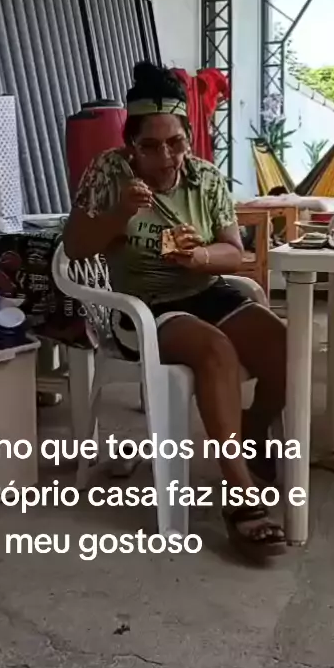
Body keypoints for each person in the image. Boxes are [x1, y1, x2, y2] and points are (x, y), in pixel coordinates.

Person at [63, 62, 287, 559]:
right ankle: (241, 494)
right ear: (130, 145)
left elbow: (235, 253)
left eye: (176, 143)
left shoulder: (204, 177)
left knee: (283, 346)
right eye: (150, 146)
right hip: (143, 307)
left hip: (204, 289)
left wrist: (200, 257)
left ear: (188, 138)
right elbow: (75, 247)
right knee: (215, 351)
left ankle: (252, 427)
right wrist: (120, 214)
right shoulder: (109, 172)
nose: (166, 158)